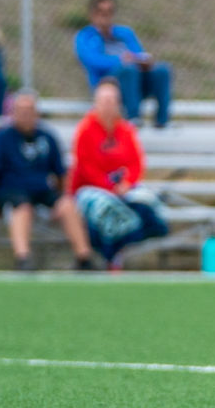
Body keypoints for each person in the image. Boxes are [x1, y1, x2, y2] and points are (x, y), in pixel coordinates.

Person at [0, 89, 94, 271]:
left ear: (36, 112)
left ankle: (84, 257)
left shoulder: (47, 138)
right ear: (13, 112)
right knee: (22, 207)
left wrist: (60, 197)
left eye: (29, 110)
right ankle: (23, 258)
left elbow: (60, 173)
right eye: (21, 110)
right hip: (10, 191)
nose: (25, 115)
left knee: (67, 204)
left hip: (41, 189)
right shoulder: (1, 139)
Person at [69, 79, 167, 269]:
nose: (108, 105)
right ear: (96, 103)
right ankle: (109, 255)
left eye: (112, 100)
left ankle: (121, 250)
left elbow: (136, 163)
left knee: (146, 200)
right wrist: (110, 188)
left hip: (123, 188)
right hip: (92, 189)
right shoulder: (86, 129)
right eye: (104, 100)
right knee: (104, 206)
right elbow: (85, 167)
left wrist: (126, 183)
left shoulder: (125, 130)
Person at [74, 0, 173, 128]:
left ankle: (163, 120)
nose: (105, 15)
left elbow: (138, 54)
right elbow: (92, 61)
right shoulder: (85, 36)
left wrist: (144, 62)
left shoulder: (125, 33)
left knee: (162, 70)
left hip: (136, 80)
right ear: (92, 14)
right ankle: (133, 118)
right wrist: (121, 60)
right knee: (128, 69)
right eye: (101, 12)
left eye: (109, 11)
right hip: (107, 82)